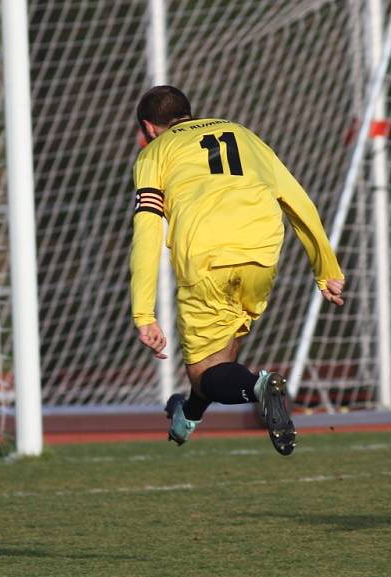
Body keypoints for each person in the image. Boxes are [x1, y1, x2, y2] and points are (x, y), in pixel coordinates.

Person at [130, 86, 345, 455]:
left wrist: (143, 312)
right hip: (261, 253)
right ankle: (188, 417)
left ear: (149, 128)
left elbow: (147, 231)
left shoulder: (155, 153)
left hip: (206, 259)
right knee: (222, 360)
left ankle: (260, 388)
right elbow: (297, 199)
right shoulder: (243, 134)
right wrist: (326, 268)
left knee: (205, 372)